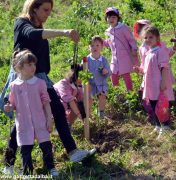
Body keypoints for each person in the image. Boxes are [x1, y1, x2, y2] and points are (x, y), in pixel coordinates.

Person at [1, 0, 95, 175]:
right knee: (21, 120)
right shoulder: (22, 23)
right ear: (34, 8)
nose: (48, 14)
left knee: (58, 110)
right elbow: (33, 35)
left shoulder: (39, 28)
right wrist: (65, 32)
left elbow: (42, 55)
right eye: (45, 9)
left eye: (50, 10)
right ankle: (9, 163)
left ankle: (72, 151)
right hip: (22, 78)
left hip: (41, 77)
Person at [4, 50, 59, 176]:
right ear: (20, 67)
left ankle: (51, 168)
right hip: (23, 124)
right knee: (25, 150)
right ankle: (27, 172)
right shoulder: (14, 86)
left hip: (40, 121)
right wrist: (9, 107)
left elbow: (46, 102)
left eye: (34, 64)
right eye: (29, 65)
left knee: (46, 145)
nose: (33, 67)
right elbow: (13, 104)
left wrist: (49, 119)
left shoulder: (40, 83)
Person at [134, 20, 176, 138]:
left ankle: (166, 126)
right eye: (145, 37)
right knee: (153, 104)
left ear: (157, 38)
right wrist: (139, 70)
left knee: (162, 105)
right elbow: (144, 67)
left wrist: (163, 82)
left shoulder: (160, 51)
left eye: (151, 37)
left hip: (159, 84)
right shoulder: (148, 52)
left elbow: (164, 67)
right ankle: (158, 125)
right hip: (151, 85)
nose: (148, 39)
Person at [104, 7, 139, 91]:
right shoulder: (108, 31)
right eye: (109, 17)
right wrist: (100, 42)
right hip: (115, 58)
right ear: (106, 19)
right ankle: (117, 93)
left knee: (125, 74)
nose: (111, 19)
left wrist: (134, 49)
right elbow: (108, 43)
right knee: (113, 74)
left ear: (118, 18)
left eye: (114, 17)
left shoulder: (123, 28)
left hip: (124, 56)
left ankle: (130, 92)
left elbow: (131, 39)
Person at [87, 36, 111, 118]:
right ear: (89, 47)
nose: (95, 47)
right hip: (90, 83)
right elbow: (82, 71)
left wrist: (106, 71)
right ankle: (88, 114)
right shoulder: (87, 60)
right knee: (89, 99)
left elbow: (109, 71)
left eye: (97, 45)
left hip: (101, 82)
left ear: (101, 47)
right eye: (92, 45)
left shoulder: (104, 60)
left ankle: (101, 113)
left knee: (102, 96)